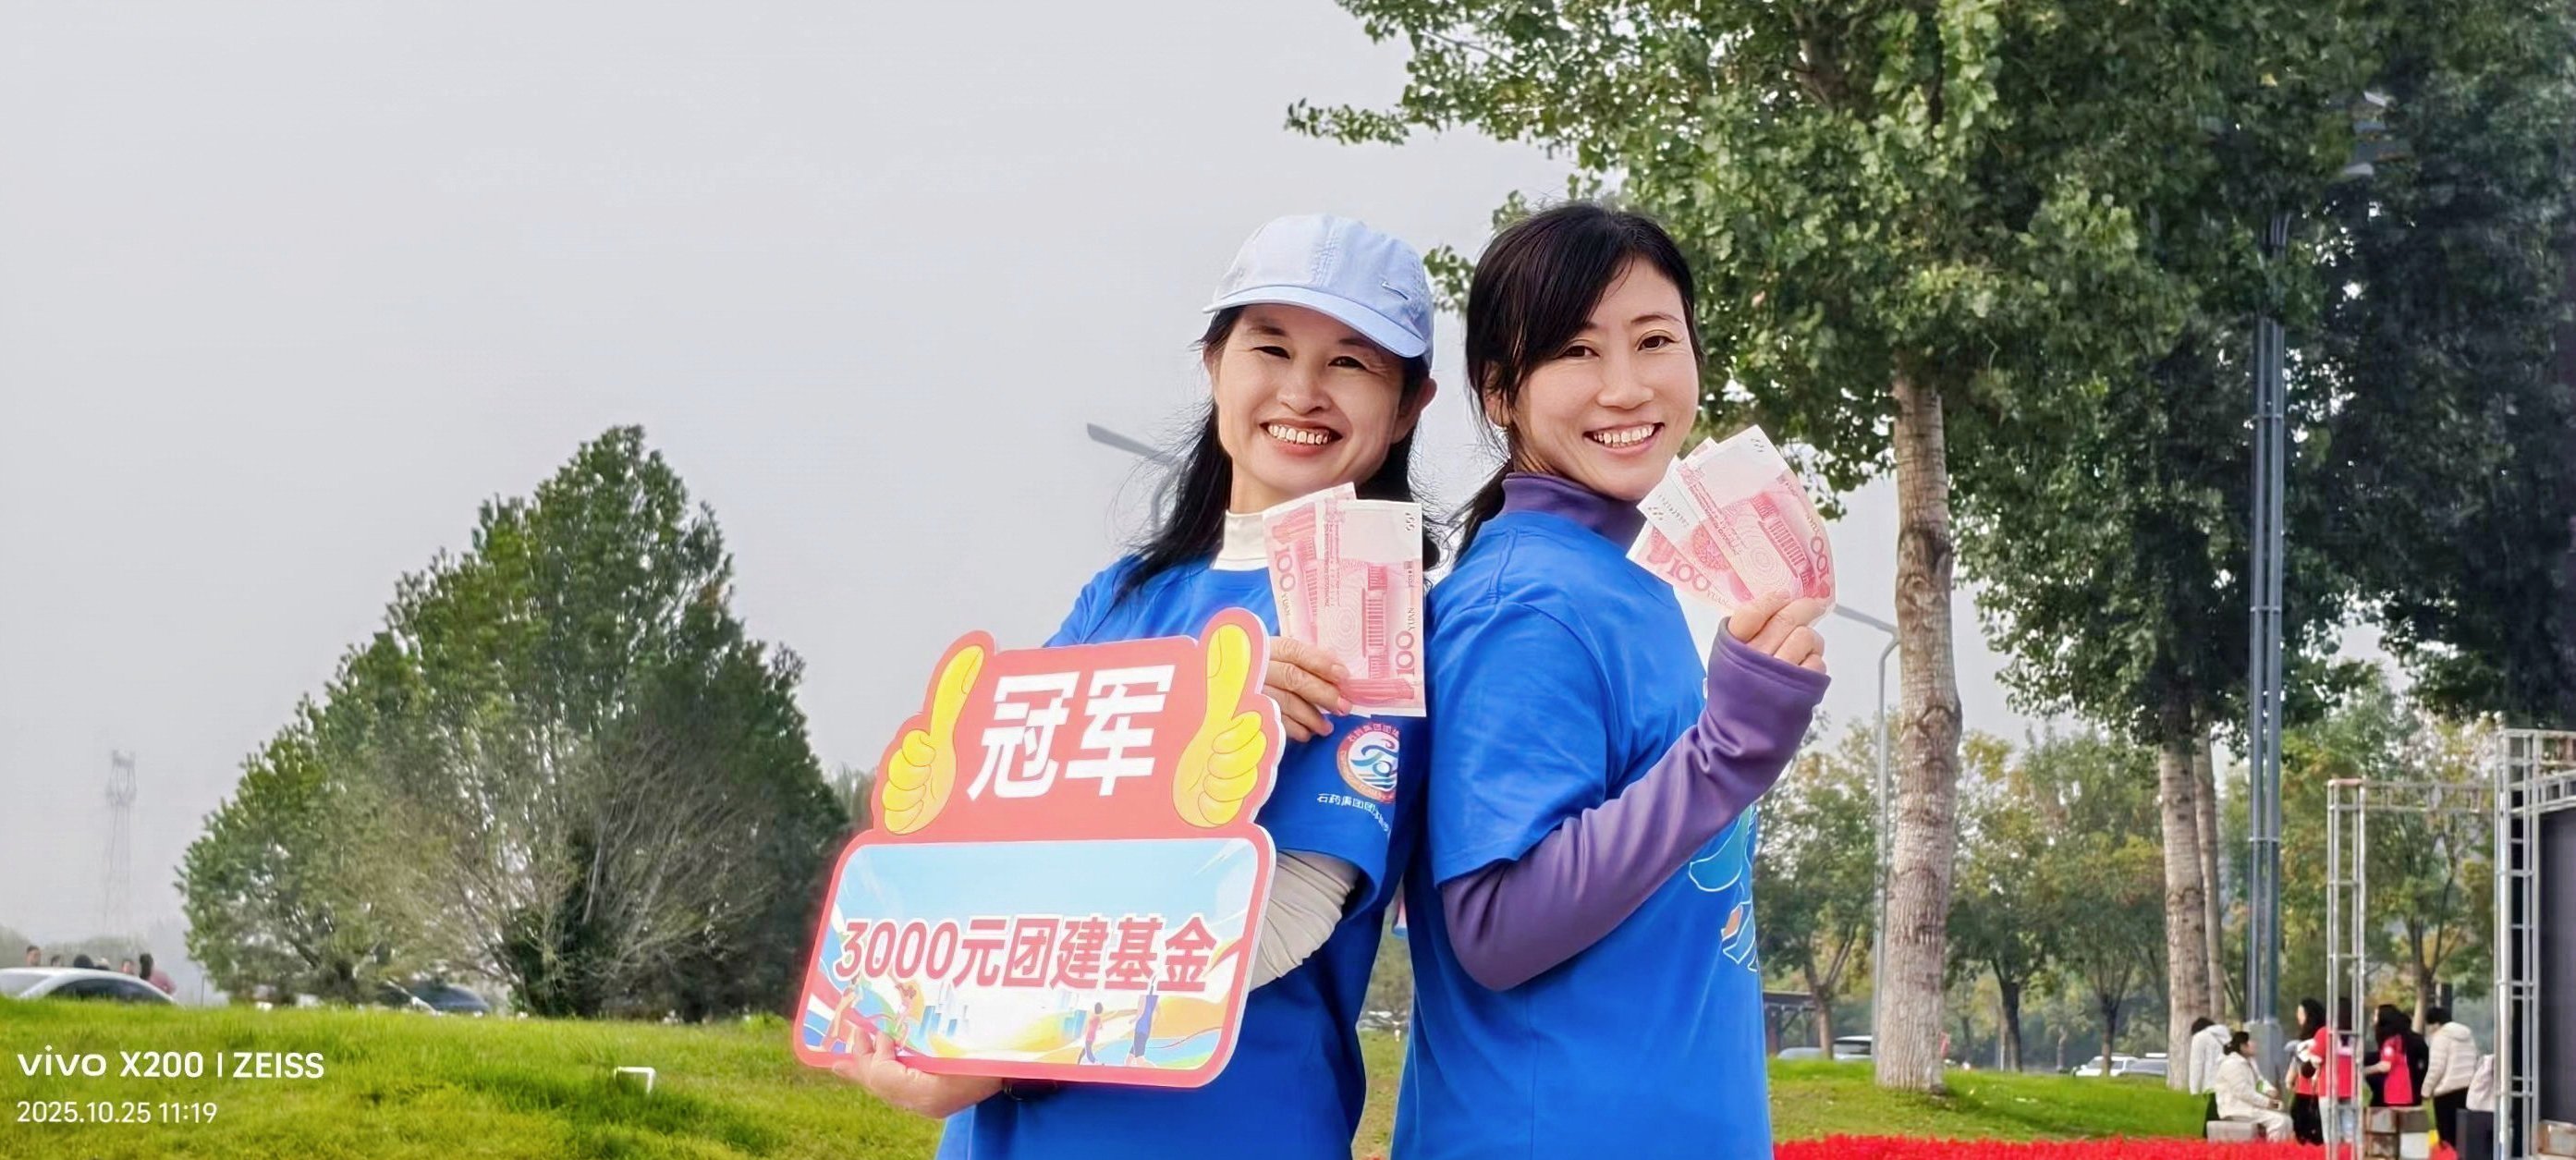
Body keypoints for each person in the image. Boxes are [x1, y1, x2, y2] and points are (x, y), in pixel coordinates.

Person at [835, 214, 1442, 1160]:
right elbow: (976, 839)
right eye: (1270, 347)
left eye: (1351, 362)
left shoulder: (1366, 607)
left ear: (1408, 405)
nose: (1302, 390)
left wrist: (1005, 1047)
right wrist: (1179, 715)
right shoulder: (1119, 596)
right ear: (1214, 364)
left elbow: (1285, 911)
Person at [1392, 202, 1829, 1160]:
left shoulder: (1615, 580)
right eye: (1576, 352)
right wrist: (1728, 751)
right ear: (1500, 391)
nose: (1626, 387)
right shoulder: (1524, 604)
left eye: (1654, 340)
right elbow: (1493, 925)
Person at [2215, 1030, 2294, 1139]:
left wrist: (2269, 1090)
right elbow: (2243, 1092)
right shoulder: (2231, 1064)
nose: (2255, 1044)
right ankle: (2273, 1148)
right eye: (2251, 1041)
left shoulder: (2250, 1061)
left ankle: (2282, 1148)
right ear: (2243, 1046)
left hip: (2250, 1106)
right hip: (2236, 1109)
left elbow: (2259, 1082)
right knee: (2279, 1121)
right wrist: (2268, 1103)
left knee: (2287, 1119)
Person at [2423, 1005, 2475, 1143]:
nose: (2429, 1030)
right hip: (2467, 1092)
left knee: (2447, 1138)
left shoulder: (2440, 1037)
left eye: (2429, 1026)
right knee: (2462, 1137)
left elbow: (2437, 1067)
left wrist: (2426, 1091)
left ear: (2435, 1024)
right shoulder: (2468, 1036)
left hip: (2446, 1093)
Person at [2364, 1005, 2418, 1108]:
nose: (2374, 1019)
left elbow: (2385, 1066)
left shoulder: (2390, 1043)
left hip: (2395, 1088)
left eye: (2376, 1015)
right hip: (2403, 1088)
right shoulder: (2399, 1038)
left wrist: (2365, 1070)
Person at [2188, 1016, 2229, 1094]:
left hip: (2212, 1086)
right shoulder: (2226, 1036)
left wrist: (2194, 1090)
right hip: (2229, 1085)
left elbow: (2196, 1064)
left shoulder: (2200, 1037)